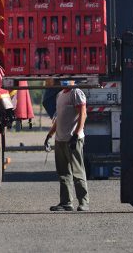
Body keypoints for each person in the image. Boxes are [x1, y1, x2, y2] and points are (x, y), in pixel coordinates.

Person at [44, 80, 89, 212]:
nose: (64, 80)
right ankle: (66, 203)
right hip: (60, 140)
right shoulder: (60, 95)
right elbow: (58, 119)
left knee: (78, 172)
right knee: (63, 173)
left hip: (73, 139)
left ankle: (84, 202)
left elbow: (83, 114)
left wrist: (76, 135)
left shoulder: (76, 93)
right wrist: (49, 135)